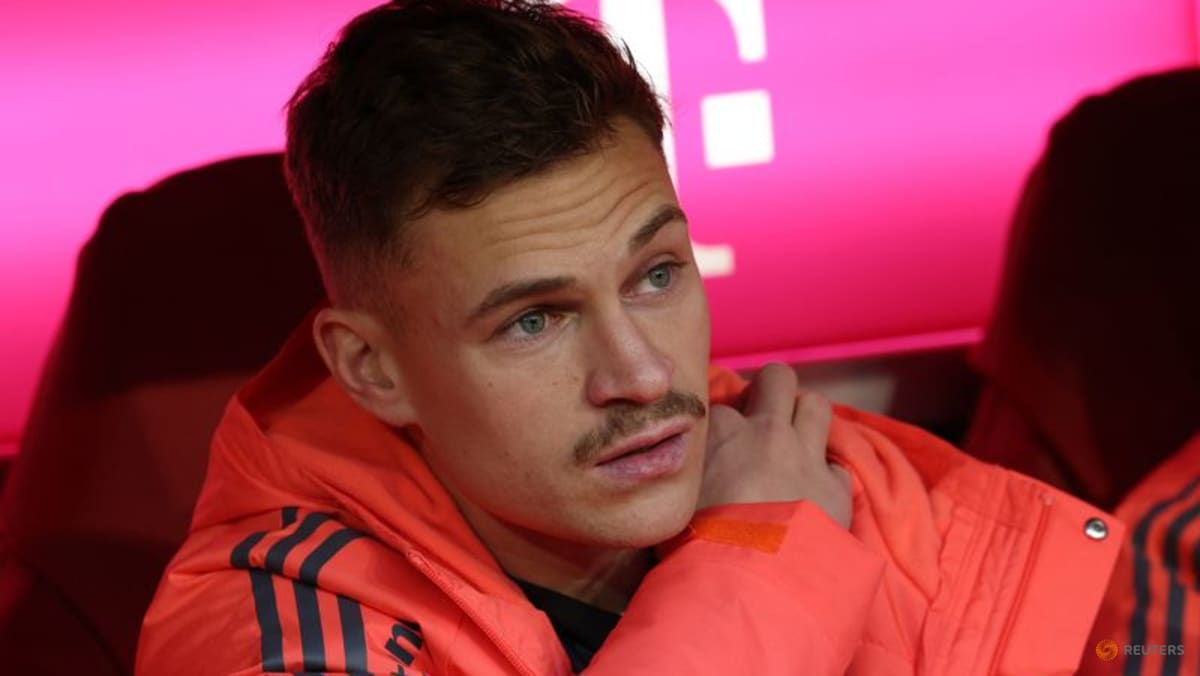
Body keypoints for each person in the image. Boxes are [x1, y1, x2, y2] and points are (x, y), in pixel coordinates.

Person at [136, 2, 1122, 673]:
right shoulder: (271, 633)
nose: (644, 376)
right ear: (372, 367)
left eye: (656, 275)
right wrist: (757, 565)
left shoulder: (824, 474)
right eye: (534, 320)